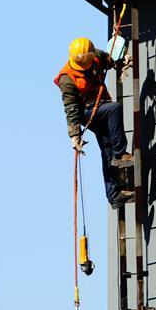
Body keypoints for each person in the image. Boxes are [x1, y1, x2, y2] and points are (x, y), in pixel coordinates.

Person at [54, 37, 135, 209]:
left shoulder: (95, 55)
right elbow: (71, 108)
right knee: (114, 109)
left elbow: (108, 60)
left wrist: (122, 58)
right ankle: (120, 154)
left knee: (107, 148)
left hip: (101, 105)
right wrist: (75, 135)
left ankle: (114, 195)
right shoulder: (67, 78)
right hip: (87, 112)